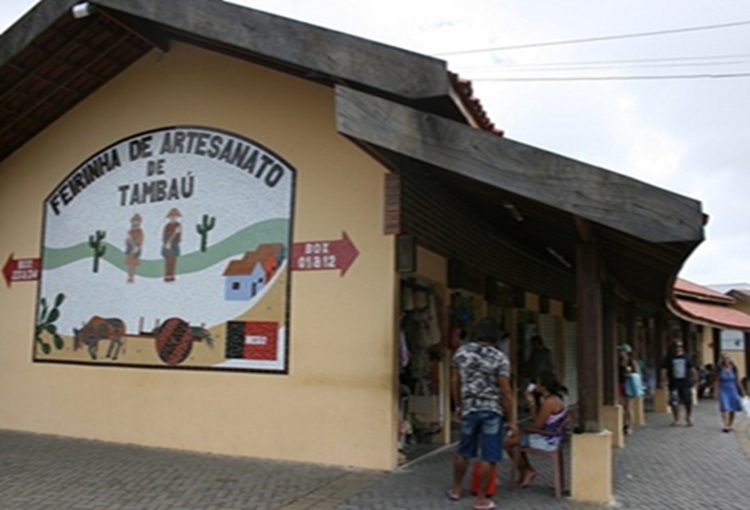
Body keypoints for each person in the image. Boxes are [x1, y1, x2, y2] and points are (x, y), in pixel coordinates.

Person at [447, 318, 516, 510]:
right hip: (492, 411)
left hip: (469, 408)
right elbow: (506, 391)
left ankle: (456, 489)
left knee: (463, 451)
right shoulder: (500, 358)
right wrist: (512, 419)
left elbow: (454, 382)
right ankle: (481, 499)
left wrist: (458, 406)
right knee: (489, 455)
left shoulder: (461, 353)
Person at [504, 370, 568, 489]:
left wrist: (532, 404)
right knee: (515, 439)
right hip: (551, 436)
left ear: (544, 386)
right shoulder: (556, 398)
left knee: (508, 442)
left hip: (547, 440)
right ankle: (526, 470)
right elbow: (537, 422)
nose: (535, 386)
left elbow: (537, 426)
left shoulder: (549, 402)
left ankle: (526, 470)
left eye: (538, 384)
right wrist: (532, 402)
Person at [659, 341, 697, 427]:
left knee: (688, 400)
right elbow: (664, 370)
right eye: (676, 347)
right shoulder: (669, 358)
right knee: (674, 401)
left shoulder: (687, 357)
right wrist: (662, 381)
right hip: (674, 383)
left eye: (679, 346)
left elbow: (692, 368)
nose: (678, 348)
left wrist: (695, 378)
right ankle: (676, 419)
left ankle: (688, 416)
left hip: (685, 382)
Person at [716, 353, 745, 432]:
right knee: (725, 407)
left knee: (732, 407)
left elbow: (737, 380)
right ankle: (725, 425)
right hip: (723, 389)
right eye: (725, 359)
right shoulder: (720, 369)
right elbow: (717, 381)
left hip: (733, 389)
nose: (726, 360)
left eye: (728, 358)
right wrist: (716, 391)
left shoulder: (734, 368)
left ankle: (730, 424)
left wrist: (742, 390)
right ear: (722, 360)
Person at [618, 344, 639, 435]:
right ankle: (624, 424)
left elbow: (636, 373)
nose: (620, 353)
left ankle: (630, 425)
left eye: (622, 351)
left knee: (628, 407)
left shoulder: (631, 362)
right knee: (622, 406)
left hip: (629, 384)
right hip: (621, 384)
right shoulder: (618, 362)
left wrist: (629, 374)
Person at [162, 207, 182, 282]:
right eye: (172, 217)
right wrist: (166, 242)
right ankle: (167, 275)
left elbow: (179, 237)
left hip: (174, 245)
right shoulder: (167, 226)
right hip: (167, 245)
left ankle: (172, 275)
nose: (173, 218)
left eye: (175, 217)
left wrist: (174, 240)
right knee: (168, 261)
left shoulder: (178, 225)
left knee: (173, 261)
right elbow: (164, 236)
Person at [124, 213, 144, 283]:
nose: (135, 223)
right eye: (134, 221)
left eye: (137, 222)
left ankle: (132, 277)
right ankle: (129, 276)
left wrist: (137, 246)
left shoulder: (140, 231)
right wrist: (128, 241)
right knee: (129, 264)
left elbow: (140, 239)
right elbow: (127, 241)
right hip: (130, 250)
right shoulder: (130, 231)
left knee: (133, 264)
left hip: (136, 249)